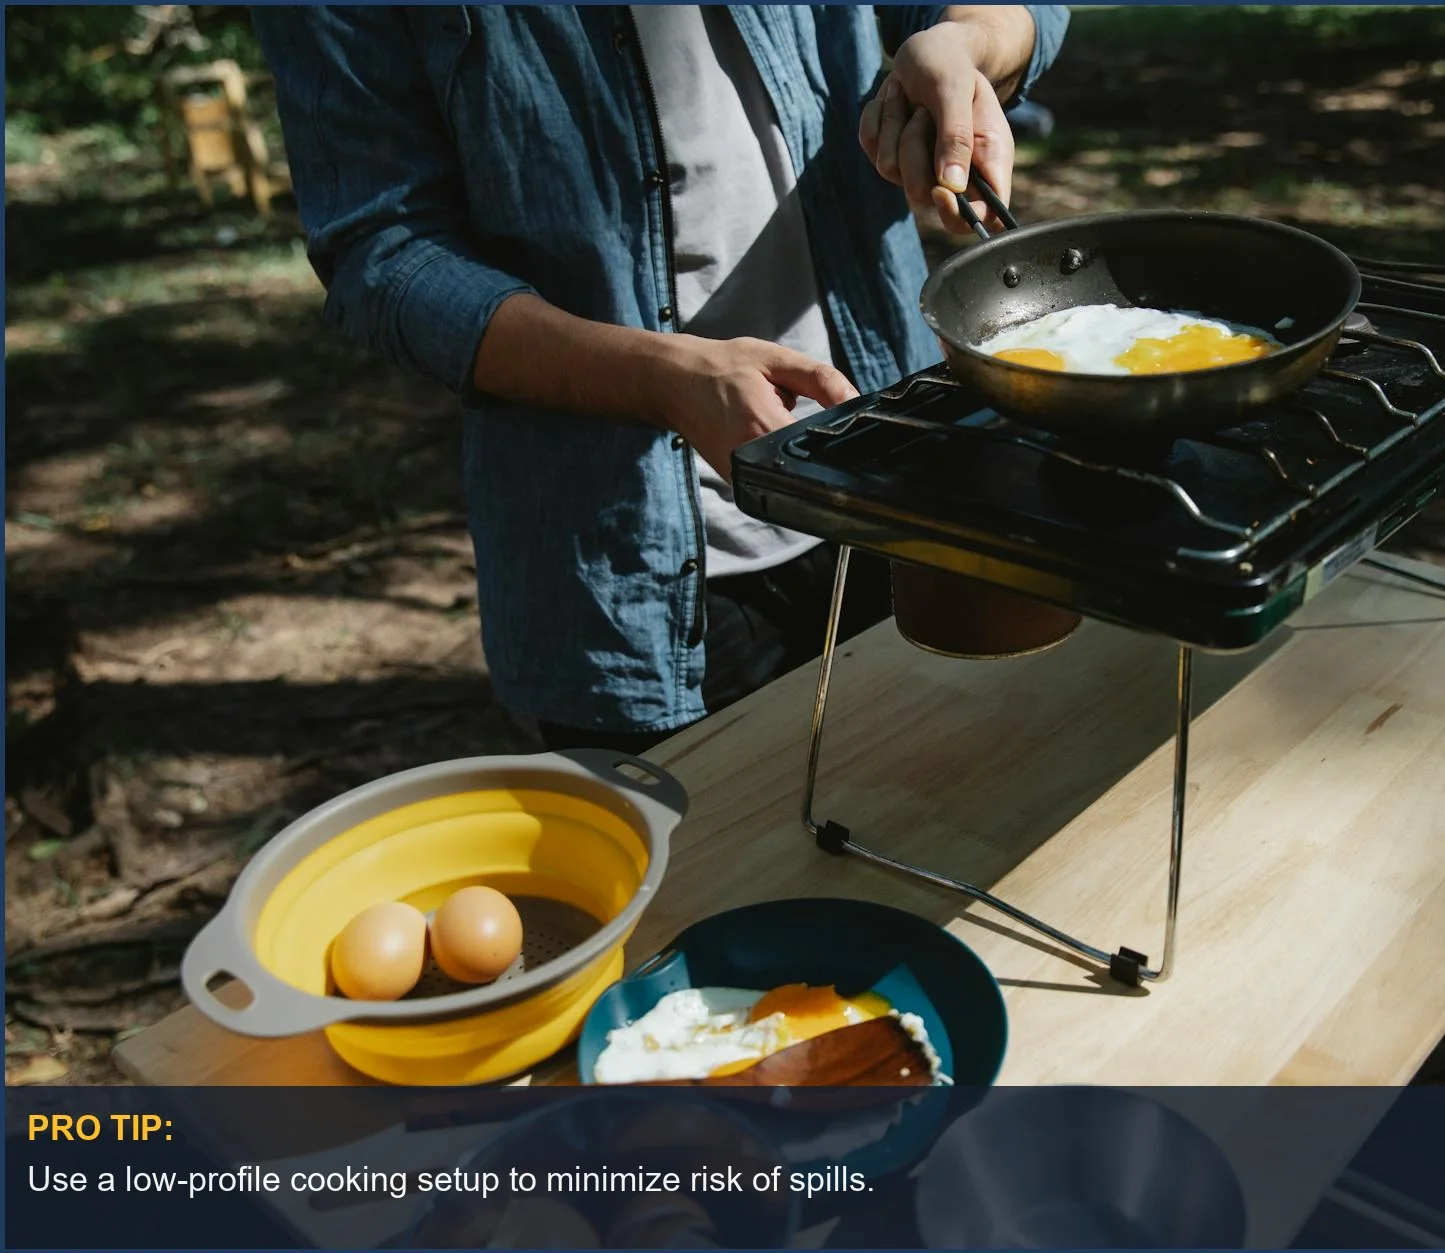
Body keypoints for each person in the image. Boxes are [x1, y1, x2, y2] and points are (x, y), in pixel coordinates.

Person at [253, 5, 1069, 755]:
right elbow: (384, 259)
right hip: (628, 571)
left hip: (899, 488)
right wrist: (658, 377)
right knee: (704, 902)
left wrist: (966, 46)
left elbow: (1016, 12)